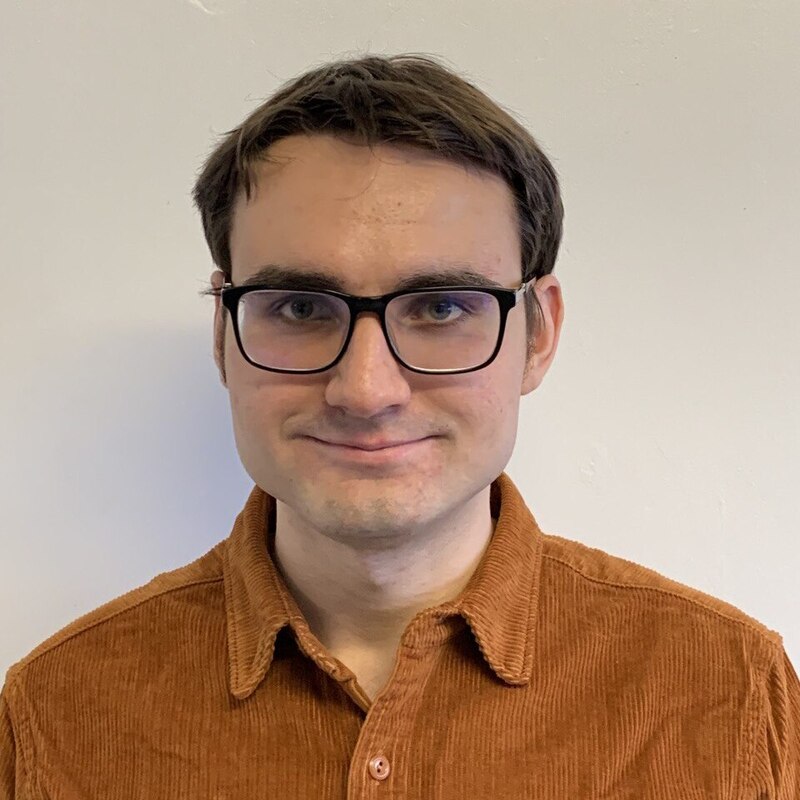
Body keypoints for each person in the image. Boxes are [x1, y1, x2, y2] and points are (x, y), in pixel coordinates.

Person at [1, 53, 797, 799]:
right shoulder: (58, 710)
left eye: (442, 307)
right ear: (223, 337)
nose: (366, 389)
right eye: (300, 308)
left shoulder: (730, 691)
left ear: (539, 334)